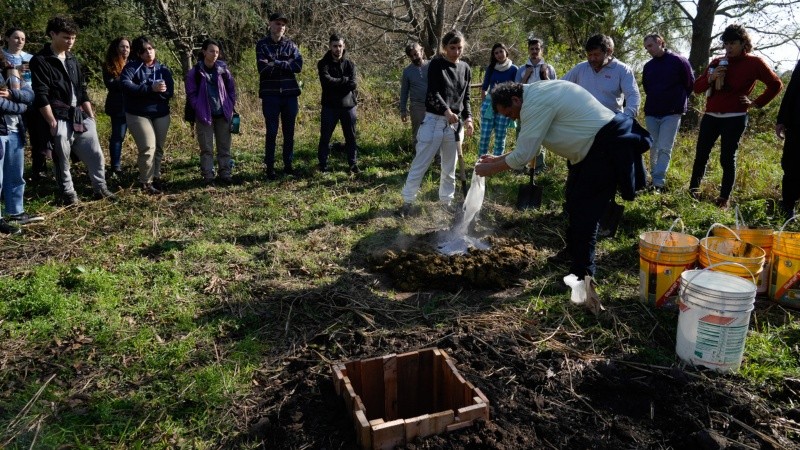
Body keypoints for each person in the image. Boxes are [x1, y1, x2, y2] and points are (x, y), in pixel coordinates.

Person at [475, 81, 651, 278]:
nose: (512, 119)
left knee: (586, 213)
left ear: (515, 100)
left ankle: (582, 274)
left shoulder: (535, 104)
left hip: (605, 148)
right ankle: (573, 251)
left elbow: (523, 155)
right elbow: (527, 147)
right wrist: (496, 160)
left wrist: (491, 169)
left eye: (509, 114)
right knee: (574, 201)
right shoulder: (535, 92)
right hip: (588, 150)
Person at [690, 24, 783, 208]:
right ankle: (693, 192)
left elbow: (776, 84)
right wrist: (711, 77)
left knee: (727, 157)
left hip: (735, 116)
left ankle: (723, 199)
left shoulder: (754, 63)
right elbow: (697, 88)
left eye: (732, 43)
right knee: (701, 154)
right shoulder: (717, 62)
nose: (728, 48)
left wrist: (756, 103)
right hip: (711, 116)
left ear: (743, 43)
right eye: (726, 44)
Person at [30, 16, 114, 205]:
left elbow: (82, 91)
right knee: (62, 157)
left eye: (73, 38)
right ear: (52, 34)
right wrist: (51, 123)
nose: (70, 42)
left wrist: (90, 117)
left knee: (95, 153)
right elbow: (41, 94)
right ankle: (68, 194)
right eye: (66, 37)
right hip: (57, 116)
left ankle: (100, 188)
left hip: (79, 115)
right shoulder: (40, 60)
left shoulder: (73, 59)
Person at [399, 30, 474, 215]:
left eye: (459, 48)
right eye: (452, 48)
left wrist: (469, 118)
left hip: (455, 126)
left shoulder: (465, 68)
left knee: (449, 168)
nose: (456, 52)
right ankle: (407, 202)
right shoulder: (436, 65)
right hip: (433, 121)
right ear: (444, 48)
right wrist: (446, 111)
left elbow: (466, 98)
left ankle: (446, 203)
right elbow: (433, 92)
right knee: (420, 163)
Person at [120, 35, 174, 195]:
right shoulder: (131, 67)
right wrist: (150, 89)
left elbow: (170, 91)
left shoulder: (163, 69)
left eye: (150, 49)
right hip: (138, 113)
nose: (148, 53)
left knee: (159, 148)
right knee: (148, 147)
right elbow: (126, 85)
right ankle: (146, 182)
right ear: (138, 53)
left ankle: (156, 177)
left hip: (161, 113)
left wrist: (161, 91)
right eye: (144, 51)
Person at [642, 33, 695, 192]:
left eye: (650, 46)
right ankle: (652, 178)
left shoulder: (679, 61)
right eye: (646, 48)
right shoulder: (648, 66)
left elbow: (689, 83)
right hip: (652, 111)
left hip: (672, 112)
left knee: (665, 147)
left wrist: (677, 100)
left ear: (660, 42)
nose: (648, 50)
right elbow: (647, 87)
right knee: (653, 146)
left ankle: (658, 183)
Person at [256, 11, 303, 180]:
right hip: (271, 96)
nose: (280, 27)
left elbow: (298, 66)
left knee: (289, 132)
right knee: (272, 131)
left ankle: (288, 165)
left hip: (290, 95)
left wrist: (274, 62)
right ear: (270, 24)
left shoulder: (291, 45)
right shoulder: (262, 45)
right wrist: (286, 63)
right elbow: (263, 69)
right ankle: (270, 167)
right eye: (277, 23)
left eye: (283, 24)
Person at [186, 38, 237, 186]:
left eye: (217, 51)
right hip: (204, 115)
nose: (214, 54)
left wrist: (230, 104)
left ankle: (225, 174)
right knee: (206, 148)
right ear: (204, 52)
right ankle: (208, 177)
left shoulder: (223, 71)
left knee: (224, 147)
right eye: (211, 51)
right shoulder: (194, 72)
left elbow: (231, 90)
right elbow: (191, 94)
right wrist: (198, 107)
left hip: (223, 114)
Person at [0, 52, 40, 234]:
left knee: (16, 175)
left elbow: (29, 94)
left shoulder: (10, 69)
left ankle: (15, 211)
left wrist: (12, 95)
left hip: (15, 129)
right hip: (1, 131)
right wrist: (20, 105)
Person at [4, 28, 51, 182]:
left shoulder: (31, 58)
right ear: (7, 39)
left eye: (23, 39)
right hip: (11, 104)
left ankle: (39, 171)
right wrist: (15, 70)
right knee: (18, 138)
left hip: (32, 101)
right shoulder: (2, 57)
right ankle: (14, 171)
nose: (20, 41)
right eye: (16, 38)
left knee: (38, 137)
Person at [562, 34, 640, 118]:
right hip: (583, 119)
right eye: (589, 55)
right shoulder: (580, 68)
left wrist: (627, 116)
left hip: (611, 121)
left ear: (609, 52)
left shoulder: (622, 70)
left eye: (596, 55)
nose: (592, 59)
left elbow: (632, 95)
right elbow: (561, 85)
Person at [317, 34, 359, 174]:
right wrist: (344, 80)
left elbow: (353, 84)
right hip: (330, 106)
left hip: (348, 106)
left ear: (344, 46)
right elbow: (326, 82)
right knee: (325, 137)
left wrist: (339, 82)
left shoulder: (350, 64)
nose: (338, 49)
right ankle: (322, 165)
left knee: (351, 137)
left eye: (340, 46)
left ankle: (353, 164)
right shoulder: (323, 63)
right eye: (335, 46)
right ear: (330, 47)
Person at [515, 37, 556, 172]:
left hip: (543, 107)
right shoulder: (521, 69)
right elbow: (516, 90)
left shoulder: (549, 68)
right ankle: (520, 165)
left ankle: (538, 166)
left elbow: (555, 89)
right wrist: (526, 76)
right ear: (528, 50)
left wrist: (545, 76)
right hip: (525, 107)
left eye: (537, 49)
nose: (534, 51)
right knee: (522, 135)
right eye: (532, 49)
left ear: (541, 50)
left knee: (540, 136)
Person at [478, 43, 517, 156]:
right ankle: (481, 160)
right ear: (493, 55)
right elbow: (484, 87)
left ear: (506, 51)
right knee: (485, 135)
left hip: (505, 106)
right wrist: (484, 102)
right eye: (496, 53)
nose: (499, 54)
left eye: (501, 51)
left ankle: (497, 159)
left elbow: (516, 88)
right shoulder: (491, 68)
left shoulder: (514, 69)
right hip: (490, 104)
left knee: (500, 135)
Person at [102, 37, 130, 177]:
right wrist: (126, 79)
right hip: (118, 106)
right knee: (118, 136)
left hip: (134, 106)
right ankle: (116, 166)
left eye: (127, 47)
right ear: (116, 48)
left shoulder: (133, 63)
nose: (125, 49)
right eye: (122, 46)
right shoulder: (109, 64)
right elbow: (111, 84)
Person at [777, 60, 800, 218]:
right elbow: (792, 90)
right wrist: (781, 119)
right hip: (797, 125)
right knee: (791, 166)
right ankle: (788, 207)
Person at [399, 43, 429, 149]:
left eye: (416, 54)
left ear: (421, 51)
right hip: (417, 106)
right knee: (418, 132)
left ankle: (437, 159)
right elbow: (404, 92)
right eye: (411, 56)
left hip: (433, 105)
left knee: (435, 132)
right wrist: (403, 110)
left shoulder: (431, 65)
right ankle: (418, 157)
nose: (414, 57)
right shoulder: (407, 71)